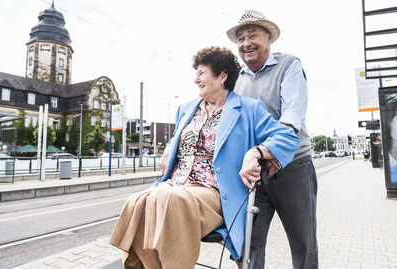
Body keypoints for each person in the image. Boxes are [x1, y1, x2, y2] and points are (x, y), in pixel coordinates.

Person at [109, 46, 300, 269]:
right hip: (175, 184)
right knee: (138, 201)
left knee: (166, 199)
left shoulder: (249, 109)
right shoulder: (186, 108)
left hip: (213, 192)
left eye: (201, 73)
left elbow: (287, 136)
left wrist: (255, 152)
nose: (195, 79)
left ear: (222, 76)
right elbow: (180, 138)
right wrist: (170, 145)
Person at [226, 10, 318, 269]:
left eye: (253, 35)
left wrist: (271, 150)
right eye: (241, 38)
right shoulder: (236, 80)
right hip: (255, 170)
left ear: (269, 38)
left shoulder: (289, 65)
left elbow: (292, 115)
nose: (246, 43)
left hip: (293, 166)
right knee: (249, 242)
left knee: (303, 242)